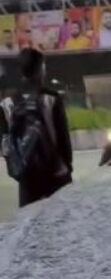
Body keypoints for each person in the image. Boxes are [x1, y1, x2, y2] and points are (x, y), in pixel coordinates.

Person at [7, 49, 72, 207]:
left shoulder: (7, 104)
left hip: (27, 180)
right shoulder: (51, 99)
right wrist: (68, 168)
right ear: (40, 70)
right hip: (56, 176)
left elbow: (6, 146)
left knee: (30, 226)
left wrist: (18, 171)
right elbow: (64, 141)